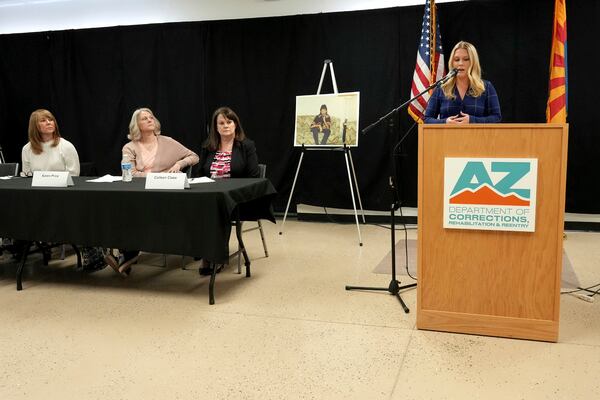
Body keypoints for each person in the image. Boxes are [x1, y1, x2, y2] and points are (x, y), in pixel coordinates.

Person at [104, 107, 199, 276]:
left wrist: (179, 164)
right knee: (122, 209)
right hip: (139, 193)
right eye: (144, 118)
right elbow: (130, 173)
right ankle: (126, 254)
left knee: (138, 212)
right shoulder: (129, 147)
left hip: (165, 194)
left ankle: (126, 256)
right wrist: (153, 176)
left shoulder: (168, 141)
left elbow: (194, 156)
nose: (149, 120)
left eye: (151, 117)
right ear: (136, 125)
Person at [21, 109, 105, 271]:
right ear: (34, 126)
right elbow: (27, 175)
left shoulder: (65, 145)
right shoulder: (27, 149)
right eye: (43, 121)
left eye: (51, 120)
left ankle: (93, 254)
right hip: (39, 197)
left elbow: (74, 174)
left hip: (64, 195)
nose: (49, 123)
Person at [196, 106, 260, 274]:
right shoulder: (207, 147)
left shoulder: (246, 146)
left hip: (236, 198)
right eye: (221, 123)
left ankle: (214, 256)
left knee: (216, 210)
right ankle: (203, 251)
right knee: (197, 207)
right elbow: (199, 173)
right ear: (215, 127)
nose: (225, 126)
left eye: (229, 122)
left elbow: (254, 176)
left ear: (235, 124)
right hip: (210, 195)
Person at [424, 41, 501, 124]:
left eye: (466, 59)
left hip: (477, 136)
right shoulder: (441, 88)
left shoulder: (486, 87)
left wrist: (472, 120)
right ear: (452, 63)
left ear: (473, 62)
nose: (460, 63)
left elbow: (496, 117)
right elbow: (427, 119)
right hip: (447, 136)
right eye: (457, 60)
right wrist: (445, 122)